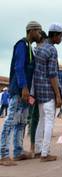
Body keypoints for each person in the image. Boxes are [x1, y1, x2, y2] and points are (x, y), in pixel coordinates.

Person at [0, 21, 41, 166]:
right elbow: (18, 67)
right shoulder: (21, 45)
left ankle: (17, 152)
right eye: (38, 31)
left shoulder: (29, 47)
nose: (40, 34)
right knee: (11, 121)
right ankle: (3, 154)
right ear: (31, 31)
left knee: (21, 122)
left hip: (25, 92)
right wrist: (24, 87)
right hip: (18, 90)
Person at [33, 23, 62, 162]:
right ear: (55, 35)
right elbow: (52, 74)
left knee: (41, 120)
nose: (61, 39)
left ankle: (39, 150)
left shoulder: (40, 48)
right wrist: (57, 94)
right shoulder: (51, 50)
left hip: (39, 91)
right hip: (48, 91)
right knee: (49, 121)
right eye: (61, 36)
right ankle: (45, 153)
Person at [28, 30, 48, 156]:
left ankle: (36, 146)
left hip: (37, 89)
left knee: (38, 117)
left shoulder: (38, 52)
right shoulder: (35, 52)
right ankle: (33, 146)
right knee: (35, 117)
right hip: (34, 89)